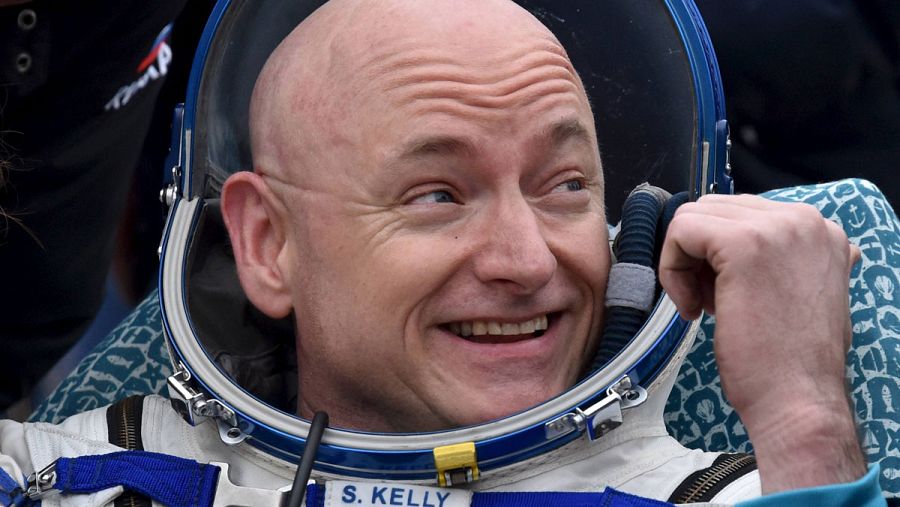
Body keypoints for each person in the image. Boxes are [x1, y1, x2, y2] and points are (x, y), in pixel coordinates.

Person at [0, 1, 885, 505]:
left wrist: (803, 421)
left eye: (565, 185)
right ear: (269, 245)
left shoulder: (749, 491)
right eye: (438, 196)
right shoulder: (67, 475)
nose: (526, 260)